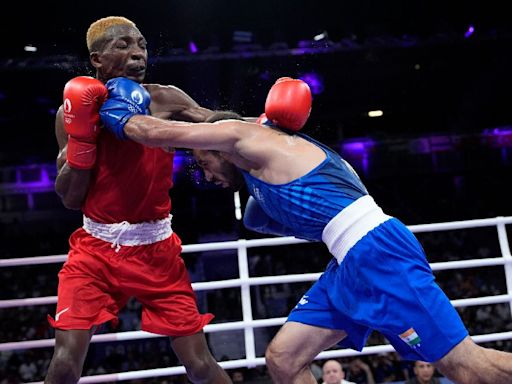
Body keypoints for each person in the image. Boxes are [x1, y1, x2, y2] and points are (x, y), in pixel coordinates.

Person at [97, 76, 512, 384]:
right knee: (283, 358)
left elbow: (161, 132)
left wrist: (114, 110)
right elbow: (201, 117)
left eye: (203, 163)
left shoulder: (243, 137)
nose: (205, 175)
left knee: (465, 367)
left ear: (217, 147)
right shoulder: (256, 146)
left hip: (377, 253)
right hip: (349, 263)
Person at [46, 16, 232, 384]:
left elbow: (219, 125)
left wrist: (268, 126)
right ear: (97, 59)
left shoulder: (165, 98)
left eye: (142, 45)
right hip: (95, 250)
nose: (137, 53)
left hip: (156, 251)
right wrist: (84, 145)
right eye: (124, 45)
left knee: (200, 365)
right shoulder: (72, 113)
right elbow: (69, 198)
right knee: (66, 364)